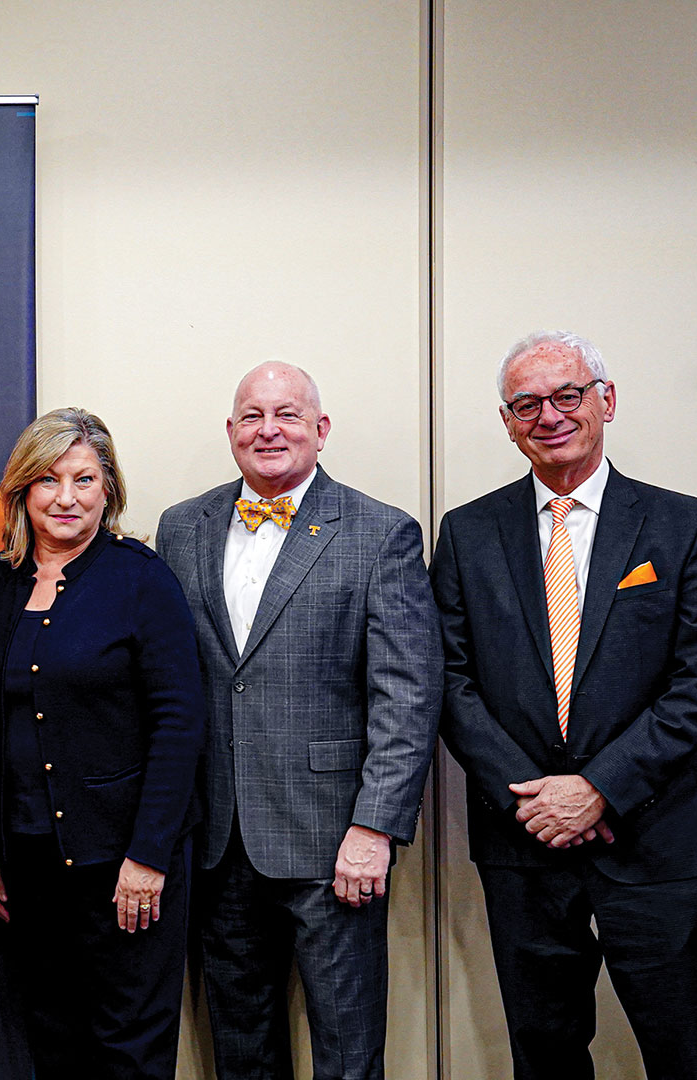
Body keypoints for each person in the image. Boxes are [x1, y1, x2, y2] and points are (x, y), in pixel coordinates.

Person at [432, 331, 697, 1079]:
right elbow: (448, 680)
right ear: (507, 422)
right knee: (545, 1055)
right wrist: (536, 798)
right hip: (522, 837)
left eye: (568, 395)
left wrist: (598, 789)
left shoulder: (687, 526)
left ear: (607, 400)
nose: (550, 415)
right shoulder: (467, 534)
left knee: (692, 1049)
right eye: (526, 403)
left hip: (656, 834)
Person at [156, 361, 441, 1080]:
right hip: (219, 840)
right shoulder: (182, 527)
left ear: (321, 429)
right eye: (252, 416)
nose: (268, 430)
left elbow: (407, 697)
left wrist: (375, 829)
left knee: (346, 1050)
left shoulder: (381, 534)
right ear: (231, 432)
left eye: (287, 414)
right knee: (241, 1047)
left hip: (333, 841)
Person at [0, 408, 204, 1080]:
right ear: (22, 491)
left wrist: (149, 855)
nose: (65, 497)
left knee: (128, 1046)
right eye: (47, 480)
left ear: (109, 490)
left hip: (125, 865)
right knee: (52, 1036)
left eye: (84, 479)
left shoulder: (140, 578)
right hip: (29, 864)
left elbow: (179, 722)